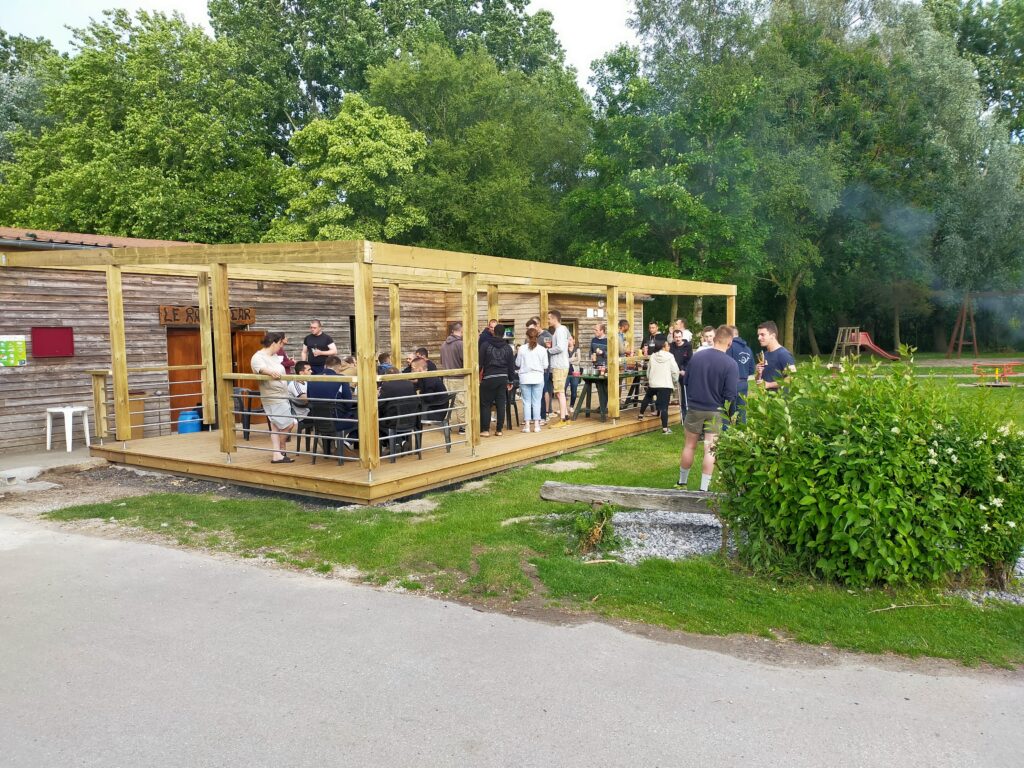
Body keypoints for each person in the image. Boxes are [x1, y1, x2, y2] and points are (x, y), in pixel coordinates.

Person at [677, 325, 738, 491]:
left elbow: (686, 382)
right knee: (710, 448)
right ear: (730, 342)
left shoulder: (697, 357)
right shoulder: (731, 364)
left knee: (689, 445)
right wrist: (731, 415)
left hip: (695, 407)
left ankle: (682, 483)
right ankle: (704, 489)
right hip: (716, 410)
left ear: (715, 338)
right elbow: (731, 395)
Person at [250, 331, 297, 464]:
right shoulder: (258, 357)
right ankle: (281, 450)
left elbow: (283, 369)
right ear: (274, 343)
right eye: (280, 343)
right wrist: (271, 372)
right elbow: (260, 369)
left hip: (282, 394)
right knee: (289, 424)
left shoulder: (275, 356)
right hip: (272, 396)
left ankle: (277, 455)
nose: (281, 347)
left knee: (276, 426)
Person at [307, 355, 357, 455]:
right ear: (338, 367)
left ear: (326, 366)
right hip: (336, 420)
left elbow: (309, 399)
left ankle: (331, 444)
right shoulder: (340, 379)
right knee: (359, 417)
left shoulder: (312, 378)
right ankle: (345, 443)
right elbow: (348, 402)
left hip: (318, 421)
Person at [479, 323, 516, 436]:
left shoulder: (485, 345)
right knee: (501, 403)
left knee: (485, 404)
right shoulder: (508, 348)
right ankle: (499, 430)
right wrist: (511, 380)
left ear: (493, 332)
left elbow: (480, 363)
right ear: (504, 334)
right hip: (502, 378)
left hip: (489, 377)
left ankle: (485, 430)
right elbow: (511, 366)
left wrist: (477, 376)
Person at [642, 340, 681, 433]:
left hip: (653, 384)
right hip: (665, 384)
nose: (669, 347)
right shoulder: (670, 356)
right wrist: (675, 380)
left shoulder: (652, 356)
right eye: (668, 346)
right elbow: (675, 370)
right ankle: (665, 429)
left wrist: (650, 379)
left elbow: (648, 371)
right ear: (663, 347)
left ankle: (640, 414)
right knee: (664, 407)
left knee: (648, 397)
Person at [516, 326, 548, 433]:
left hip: (525, 378)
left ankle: (527, 426)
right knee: (537, 402)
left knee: (526, 402)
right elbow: (545, 365)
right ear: (537, 336)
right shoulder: (543, 349)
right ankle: (537, 425)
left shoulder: (521, 349)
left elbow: (517, 363)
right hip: (538, 377)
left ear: (527, 337)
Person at [755, 320, 796, 392]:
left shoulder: (784, 354)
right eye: (758, 335)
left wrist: (769, 385)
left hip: (780, 401)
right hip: (765, 400)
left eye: (762, 335)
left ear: (773, 336)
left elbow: (792, 378)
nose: (759, 338)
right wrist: (758, 373)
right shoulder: (764, 355)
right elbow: (758, 380)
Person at [725, 325, 756, 421]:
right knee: (742, 413)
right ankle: (741, 433)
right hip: (744, 383)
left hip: (731, 383)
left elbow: (725, 365)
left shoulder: (729, 347)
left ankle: (726, 433)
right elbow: (752, 370)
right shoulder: (748, 349)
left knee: (727, 412)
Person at [440, 321, 466, 433]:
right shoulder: (460, 344)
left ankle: (447, 425)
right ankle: (463, 426)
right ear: (461, 330)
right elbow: (465, 361)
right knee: (460, 402)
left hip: (446, 377)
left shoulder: (443, 345)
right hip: (459, 377)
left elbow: (441, 361)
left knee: (448, 402)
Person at [547, 310, 571, 425]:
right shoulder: (562, 329)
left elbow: (560, 347)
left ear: (554, 319)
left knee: (560, 392)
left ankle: (562, 419)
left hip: (559, 365)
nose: (548, 320)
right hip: (561, 364)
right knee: (559, 392)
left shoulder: (560, 330)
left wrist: (548, 351)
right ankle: (565, 415)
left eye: (549, 318)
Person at [669, 328, 693, 416]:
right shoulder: (671, 346)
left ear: (682, 336)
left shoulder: (688, 346)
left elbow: (690, 360)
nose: (678, 339)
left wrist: (684, 370)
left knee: (685, 392)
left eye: (679, 337)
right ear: (673, 338)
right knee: (666, 389)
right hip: (673, 372)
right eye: (676, 337)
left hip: (683, 372)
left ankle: (685, 413)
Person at [566, 335, 580, 407]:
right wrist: (573, 359)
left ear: (574, 341)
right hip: (566, 373)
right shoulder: (564, 349)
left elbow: (578, 361)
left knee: (574, 391)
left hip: (575, 373)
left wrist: (568, 360)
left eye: (571, 339)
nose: (569, 341)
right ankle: (564, 407)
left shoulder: (577, 350)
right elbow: (563, 361)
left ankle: (572, 406)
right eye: (568, 339)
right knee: (563, 390)